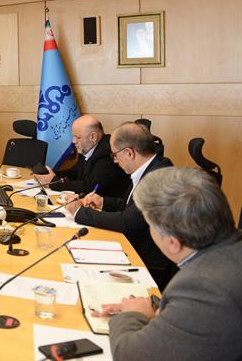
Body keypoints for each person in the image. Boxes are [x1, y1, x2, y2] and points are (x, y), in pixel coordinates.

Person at [90, 167, 242, 360]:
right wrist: (153, 306)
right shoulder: (231, 248)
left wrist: (131, 314)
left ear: (173, 243)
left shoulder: (205, 287)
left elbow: (131, 355)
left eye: (150, 226)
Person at [64, 122, 178, 289]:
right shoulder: (150, 167)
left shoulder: (157, 178)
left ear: (129, 153)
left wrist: (79, 212)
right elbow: (131, 207)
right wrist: (102, 201)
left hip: (146, 259)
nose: (115, 161)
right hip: (133, 245)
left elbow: (127, 222)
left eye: (115, 155)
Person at [35, 115, 131, 199]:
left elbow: (90, 187)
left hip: (108, 207)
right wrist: (50, 175)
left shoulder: (107, 153)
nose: (73, 141)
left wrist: (54, 182)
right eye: (73, 136)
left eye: (78, 137)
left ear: (93, 137)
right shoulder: (88, 146)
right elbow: (76, 171)